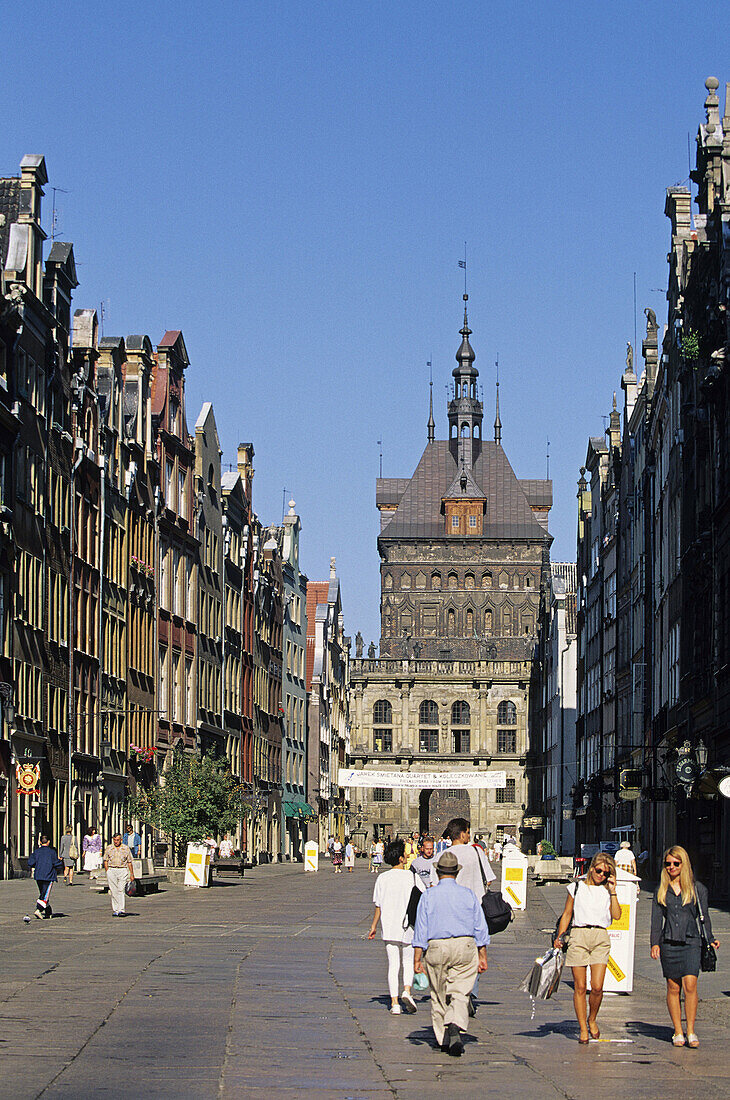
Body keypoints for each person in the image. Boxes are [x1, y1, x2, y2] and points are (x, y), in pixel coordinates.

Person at [413, 849, 489, 1056]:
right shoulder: (468, 895)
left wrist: (417, 959)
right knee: (461, 991)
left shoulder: (429, 895)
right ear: (456, 873)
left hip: (437, 946)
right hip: (465, 945)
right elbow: (480, 927)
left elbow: (421, 928)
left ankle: (443, 1039)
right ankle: (455, 1022)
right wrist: (483, 955)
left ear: (437, 873)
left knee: (438, 995)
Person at [650, 845, 719, 1047]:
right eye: (668, 864)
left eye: (676, 864)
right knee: (673, 987)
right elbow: (656, 920)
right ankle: (677, 1032)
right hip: (669, 942)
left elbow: (703, 917)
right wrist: (655, 943)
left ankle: (690, 1030)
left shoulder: (698, 889)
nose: (671, 867)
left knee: (690, 984)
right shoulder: (661, 890)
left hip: (691, 941)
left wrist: (710, 938)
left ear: (683, 864)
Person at [554, 852, 622, 1043]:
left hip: (600, 936)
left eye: (606, 873)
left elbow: (617, 915)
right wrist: (560, 936)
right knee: (580, 987)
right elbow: (567, 913)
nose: (601, 875)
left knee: (598, 987)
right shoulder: (576, 887)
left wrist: (613, 890)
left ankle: (592, 1018)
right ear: (591, 868)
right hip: (578, 935)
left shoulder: (608, 891)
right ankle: (583, 1027)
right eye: (598, 871)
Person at [443, 817, 496, 1016]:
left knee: (452, 952)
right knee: (474, 953)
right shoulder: (476, 852)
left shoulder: (444, 854)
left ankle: (455, 991)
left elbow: (434, 884)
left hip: (451, 911)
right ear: (464, 833)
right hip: (475, 909)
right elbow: (489, 879)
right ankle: (470, 994)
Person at [368, 839, 424, 1015]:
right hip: (408, 925)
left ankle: (394, 1004)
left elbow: (378, 906)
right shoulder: (413, 876)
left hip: (389, 925)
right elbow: (423, 899)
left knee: (393, 965)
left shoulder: (382, 878)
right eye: (405, 853)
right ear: (400, 858)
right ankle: (407, 991)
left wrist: (373, 926)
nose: (407, 856)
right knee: (408, 961)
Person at [27, 835, 64, 919]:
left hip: (39, 875)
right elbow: (57, 863)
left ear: (40, 842)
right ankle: (38, 909)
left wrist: (38, 864)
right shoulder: (52, 852)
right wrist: (60, 862)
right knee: (44, 895)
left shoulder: (36, 852)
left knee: (43, 893)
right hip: (49, 876)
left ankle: (48, 911)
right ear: (48, 842)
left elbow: (30, 863)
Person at [103, 833, 136, 917]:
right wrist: (108, 870)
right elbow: (105, 860)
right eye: (114, 840)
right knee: (113, 890)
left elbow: (129, 862)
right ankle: (116, 909)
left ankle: (121, 909)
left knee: (121, 889)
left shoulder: (125, 848)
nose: (116, 842)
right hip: (112, 869)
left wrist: (131, 873)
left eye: (117, 840)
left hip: (122, 869)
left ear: (121, 840)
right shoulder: (109, 848)